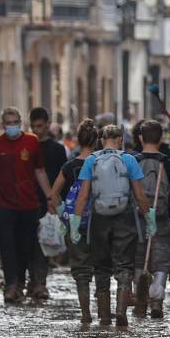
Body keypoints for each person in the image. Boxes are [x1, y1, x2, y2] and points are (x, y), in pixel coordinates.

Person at [72, 125, 151, 327]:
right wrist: (150, 219)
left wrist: (75, 223)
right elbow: (140, 195)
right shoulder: (129, 159)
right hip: (125, 216)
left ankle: (105, 316)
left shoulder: (91, 160)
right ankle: (121, 310)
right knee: (124, 264)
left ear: (101, 140)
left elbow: (83, 196)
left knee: (101, 266)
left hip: (99, 218)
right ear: (120, 139)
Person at [0, 107, 55, 304]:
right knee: (6, 245)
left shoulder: (31, 142)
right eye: (8, 123)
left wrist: (49, 196)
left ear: (20, 123)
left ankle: (21, 282)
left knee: (25, 246)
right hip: (2, 202)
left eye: (15, 123)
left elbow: (39, 171)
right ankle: (11, 285)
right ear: (3, 125)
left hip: (28, 204)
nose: (12, 126)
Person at [48, 119, 98, 324]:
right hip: (100, 222)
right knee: (103, 268)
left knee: (80, 269)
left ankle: (85, 313)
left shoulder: (69, 166)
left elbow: (54, 194)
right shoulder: (101, 163)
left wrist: (63, 213)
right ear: (97, 141)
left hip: (75, 224)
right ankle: (106, 313)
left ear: (78, 141)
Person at [133, 120, 170, 319]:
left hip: (137, 220)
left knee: (138, 260)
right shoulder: (168, 162)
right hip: (161, 219)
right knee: (161, 261)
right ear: (161, 139)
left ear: (140, 138)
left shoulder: (133, 161)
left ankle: (140, 300)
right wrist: (169, 207)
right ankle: (157, 301)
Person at [26, 107, 68, 300]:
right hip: (26, 201)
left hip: (48, 203)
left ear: (47, 124)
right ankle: (30, 280)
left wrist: (58, 201)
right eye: (33, 126)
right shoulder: (26, 147)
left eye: (40, 126)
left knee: (43, 244)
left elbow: (64, 176)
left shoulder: (57, 150)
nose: (37, 130)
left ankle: (39, 283)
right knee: (27, 243)